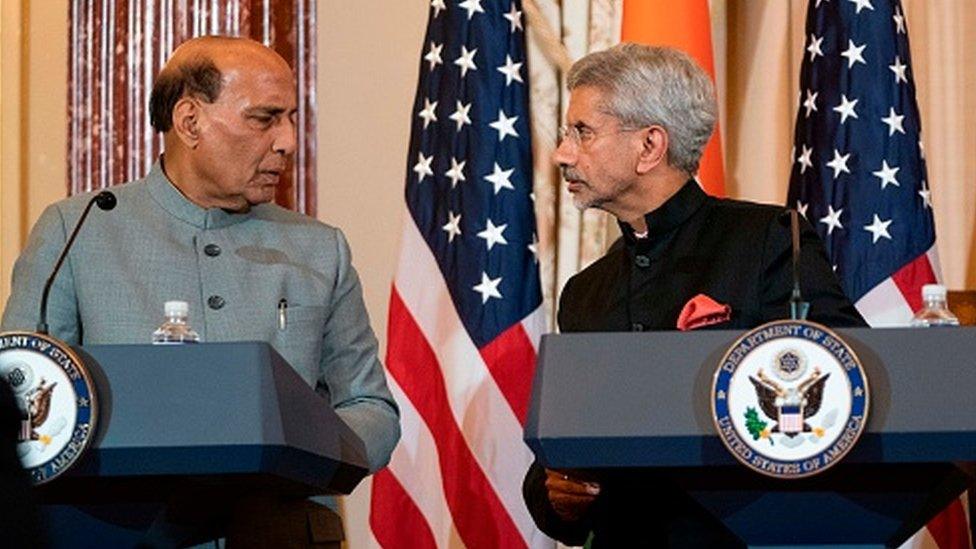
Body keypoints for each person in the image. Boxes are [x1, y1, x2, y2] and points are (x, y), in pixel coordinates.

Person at [2, 36, 399, 543]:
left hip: (280, 531)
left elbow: (371, 408)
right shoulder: (76, 230)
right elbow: (23, 394)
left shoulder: (320, 248)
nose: (288, 141)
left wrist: (300, 451)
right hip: (115, 531)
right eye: (265, 118)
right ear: (189, 121)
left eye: (291, 118)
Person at [522, 43, 865, 547]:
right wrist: (555, 494)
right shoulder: (585, 292)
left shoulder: (769, 239)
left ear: (650, 146)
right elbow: (562, 446)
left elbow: (844, 380)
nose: (562, 153)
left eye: (583, 132)